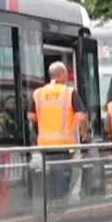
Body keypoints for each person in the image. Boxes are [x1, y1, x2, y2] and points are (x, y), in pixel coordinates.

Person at [28, 61, 86, 201]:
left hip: (44, 146)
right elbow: (81, 116)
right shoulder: (69, 92)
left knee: (48, 177)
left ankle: (51, 205)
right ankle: (59, 209)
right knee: (62, 177)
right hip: (63, 146)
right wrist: (85, 132)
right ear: (62, 74)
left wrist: (42, 124)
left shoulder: (38, 93)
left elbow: (30, 116)